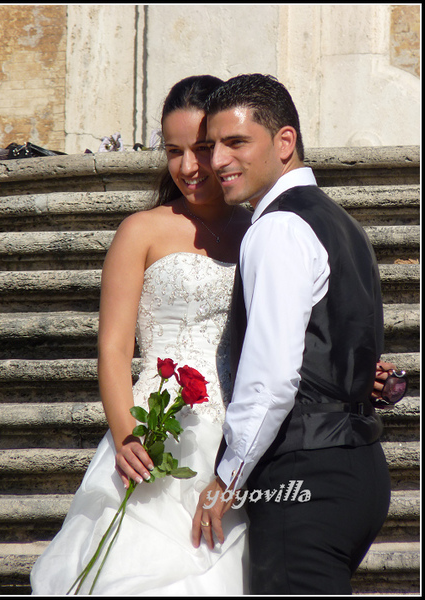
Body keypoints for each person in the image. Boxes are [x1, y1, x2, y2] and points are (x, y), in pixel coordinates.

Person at [30, 75, 252, 595]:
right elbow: (113, 346)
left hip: (234, 434)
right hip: (155, 424)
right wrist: (125, 430)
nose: (188, 167)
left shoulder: (257, 228)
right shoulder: (142, 229)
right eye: (173, 151)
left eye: (201, 148)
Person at [191, 74, 392, 595]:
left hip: (305, 475)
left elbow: (272, 376)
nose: (217, 161)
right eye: (213, 146)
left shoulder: (278, 227)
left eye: (237, 143)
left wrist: (227, 479)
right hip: (361, 471)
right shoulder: (343, 223)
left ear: (284, 142)